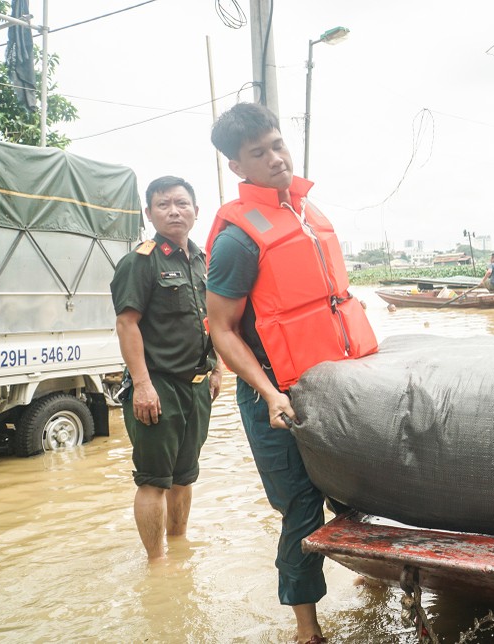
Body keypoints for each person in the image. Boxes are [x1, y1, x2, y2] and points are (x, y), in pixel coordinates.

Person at [204, 102, 376, 644]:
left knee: (361, 495)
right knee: (302, 510)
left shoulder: (308, 215)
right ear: (237, 166)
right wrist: (269, 393)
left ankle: (380, 584)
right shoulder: (237, 239)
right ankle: (307, 630)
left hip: (337, 388)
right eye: (259, 153)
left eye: (278, 144)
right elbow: (222, 329)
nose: (276, 159)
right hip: (277, 401)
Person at [110, 175, 222, 562]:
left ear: (195, 210)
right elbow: (127, 325)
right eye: (163, 204)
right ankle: (156, 564)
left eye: (181, 203)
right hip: (157, 385)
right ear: (149, 213)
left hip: (197, 386)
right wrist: (141, 384)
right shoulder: (139, 262)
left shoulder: (204, 261)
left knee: (185, 475)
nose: (174, 211)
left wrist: (217, 368)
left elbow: (212, 320)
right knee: (154, 480)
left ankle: (180, 548)